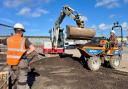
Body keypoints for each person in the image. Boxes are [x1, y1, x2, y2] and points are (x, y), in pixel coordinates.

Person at [7, 23, 35, 89]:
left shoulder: (8, 39)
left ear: (14, 30)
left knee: (14, 79)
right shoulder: (24, 39)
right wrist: (26, 53)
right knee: (22, 80)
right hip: (22, 62)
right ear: (22, 31)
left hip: (11, 64)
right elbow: (33, 48)